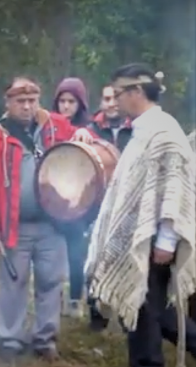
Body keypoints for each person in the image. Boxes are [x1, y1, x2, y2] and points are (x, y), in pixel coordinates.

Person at [0, 76, 94, 360]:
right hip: (14, 226)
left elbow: (84, 142)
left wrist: (85, 134)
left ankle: (44, 339)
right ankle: (10, 338)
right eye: (20, 101)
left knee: (51, 281)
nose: (26, 107)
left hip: (53, 223)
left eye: (32, 101)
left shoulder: (56, 126)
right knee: (14, 282)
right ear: (8, 103)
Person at [86, 64, 196, 367]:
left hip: (156, 238)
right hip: (141, 235)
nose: (115, 101)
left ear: (136, 92)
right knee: (144, 305)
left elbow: (174, 189)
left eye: (119, 94)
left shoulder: (163, 133)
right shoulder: (144, 130)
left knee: (155, 311)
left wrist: (166, 238)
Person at [86, 84, 134, 331]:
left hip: (129, 205)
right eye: (107, 98)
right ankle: (97, 315)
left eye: (116, 97)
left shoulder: (136, 128)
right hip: (97, 205)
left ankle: (129, 315)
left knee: (130, 260)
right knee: (95, 260)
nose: (112, 102)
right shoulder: (88, 130)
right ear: (101, 102)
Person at [51, 77, 93, 318]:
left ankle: (75, 298)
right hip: (53, 199)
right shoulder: (47, 127)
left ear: (80, 104)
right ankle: (52, 297)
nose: (66, 107)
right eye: (62, 101)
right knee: (52, 255)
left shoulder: (87, 129)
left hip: (77, 202)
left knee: (76, 254)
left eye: (71, 102)